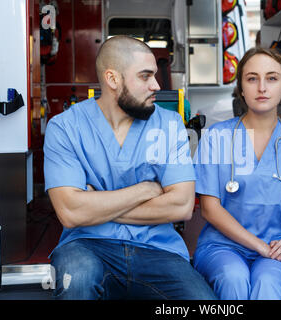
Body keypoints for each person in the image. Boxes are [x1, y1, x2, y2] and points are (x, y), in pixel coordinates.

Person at [43, 35, 216, 300]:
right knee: (76, 281)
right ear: (113, 79)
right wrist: (147, 189)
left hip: (157, 249)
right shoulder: (64, 127)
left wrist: (93, 203)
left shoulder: (168, 124)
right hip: (87, 246)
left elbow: (181, 206)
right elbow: (70, 213)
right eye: (145, 76)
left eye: (155, 76)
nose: (156, 85)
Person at [193, 47, 281, 300]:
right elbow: (209, 209)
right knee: (232, 278)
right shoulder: (216, 138)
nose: (262, 87)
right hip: (223, 247)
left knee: (268, 282)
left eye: (271, 78)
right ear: (240, 88)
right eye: (252, 78)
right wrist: (261, 248)